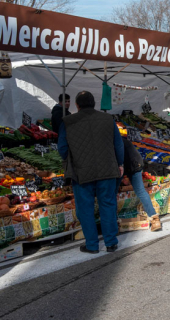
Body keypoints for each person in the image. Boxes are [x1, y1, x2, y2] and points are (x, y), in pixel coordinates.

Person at [58, 91, 124, 254]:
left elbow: (62, 149)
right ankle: (111, 243)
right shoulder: (108, 119)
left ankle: (92, 245)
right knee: (108, 205)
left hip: (82, 171)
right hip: (108, 169)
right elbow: (118, 144)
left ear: (77, 105)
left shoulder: (67, 121)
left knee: (85, 208)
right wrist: (120, 163)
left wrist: (71, 159)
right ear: (94, 103)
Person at [119, 137, 160, 230]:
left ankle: (114, 225)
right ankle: (155, 220)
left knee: (112, 194)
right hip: (136, 163)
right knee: (141, 191)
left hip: (127, 165)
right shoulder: (123, 139)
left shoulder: (113, 140)